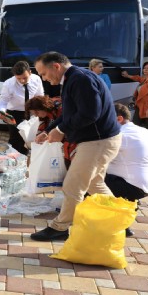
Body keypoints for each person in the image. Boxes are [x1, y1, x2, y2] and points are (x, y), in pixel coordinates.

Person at [31, 51, 122, 242]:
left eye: (43, 73)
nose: (43, 78)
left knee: (72, 185)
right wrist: (49, 129)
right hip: (97, 140)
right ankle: (120, 220)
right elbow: (69, 113)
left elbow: (90, 113)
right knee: (94, 183)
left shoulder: (80, 79)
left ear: (56, 66)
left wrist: (62, 130)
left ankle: (60, 227)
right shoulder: (73, 79)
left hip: (98, 142)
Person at [105, 103, 148, 237]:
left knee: (90, 181)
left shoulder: (120, 135)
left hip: (131, 185)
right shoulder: (147, 132)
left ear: (119, 119)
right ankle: (125, 223)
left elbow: (98, 156)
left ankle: (106, 222)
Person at [0, 61, 44, 154]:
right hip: (14, 113)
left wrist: (38, 111)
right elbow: (3, 101)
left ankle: (26, 159)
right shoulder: (8, 84)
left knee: (30, 137)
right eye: (19, 78)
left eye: (25, 78)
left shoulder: (37, 79)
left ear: (30, 72)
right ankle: (14, 160)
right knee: (16, 138)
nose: (22, 81)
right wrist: (1, 112)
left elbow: (40, 96)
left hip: (32, 112)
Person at [26, 96, 77, 169]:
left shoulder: (60, 107)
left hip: (74, 139)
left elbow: (65, 121)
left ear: (43, 106)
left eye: (37, 112)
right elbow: (42, 131)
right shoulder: (44, 116)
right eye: (34, 114)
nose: (36, 115)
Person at [121, 62, 148, 131]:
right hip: (141, 106)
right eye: (144, 68)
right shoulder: (146, 79)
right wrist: (128, 76)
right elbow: (138, 78)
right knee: (135, 126)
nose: (145, 70)